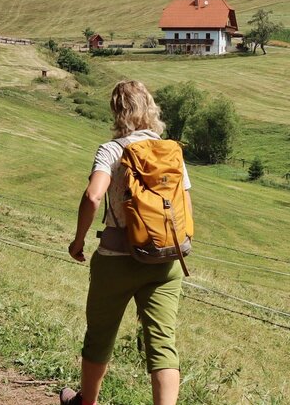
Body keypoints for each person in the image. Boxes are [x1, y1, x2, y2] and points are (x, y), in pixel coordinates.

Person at [60, 80, 191, 405]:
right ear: (150, 108)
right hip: (165, 260)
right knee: (162, 344)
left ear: (117, 111)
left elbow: (93, 197)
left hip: (115, 258)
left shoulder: (112, 149)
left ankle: (85, 403)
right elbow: (184, 203)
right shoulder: (169, 151)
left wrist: (78, 241)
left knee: (100, 337)